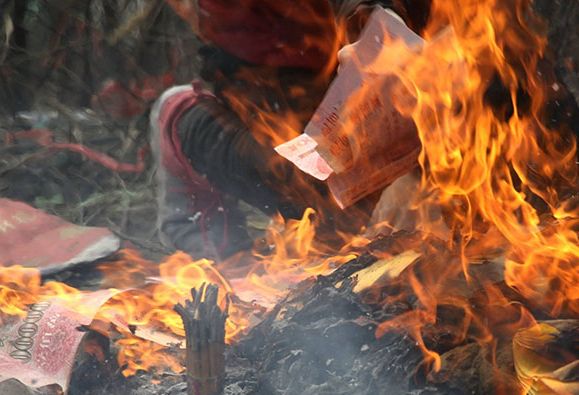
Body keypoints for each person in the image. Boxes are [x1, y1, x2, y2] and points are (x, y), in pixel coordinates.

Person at [151, 1, 431, 261]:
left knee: (174, 109)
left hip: (357, 140)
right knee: (177, 111)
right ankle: (221, 267)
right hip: (286, 155)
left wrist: (380, 22)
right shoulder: (221, 30)